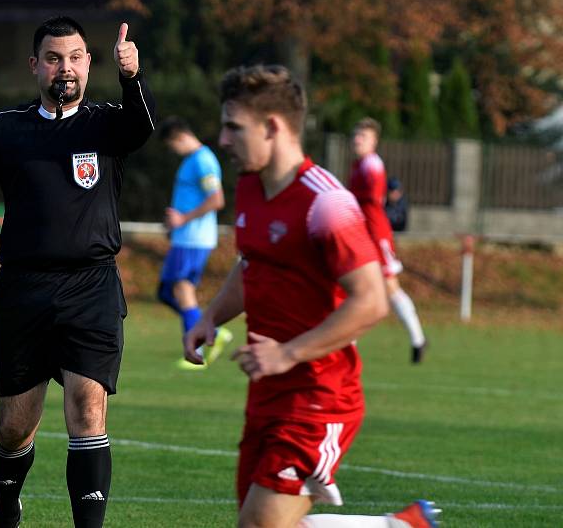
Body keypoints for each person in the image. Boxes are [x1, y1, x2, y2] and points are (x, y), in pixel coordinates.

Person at [183, 65, 439, 528]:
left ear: (273, 127)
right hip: (267, 393)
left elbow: (372, 301)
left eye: (233, 127)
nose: (222, 139)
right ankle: (398, 527)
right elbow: (252, 264)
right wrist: (211, 316)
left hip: (320, 396)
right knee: (270, 523)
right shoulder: (250, 186)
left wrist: (288, 352)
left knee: (259, 524)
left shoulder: (327, 203)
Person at [0, 16, 154, 528]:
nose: (64, 68)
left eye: (74, 58)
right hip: (24, 289)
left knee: (87, 410)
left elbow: (142, 126)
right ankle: (7, 505)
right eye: (53, 58)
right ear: (35, 66)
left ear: (89, 63)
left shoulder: (107, 123)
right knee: (16, 428)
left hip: (92, 287)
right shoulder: (5, 129)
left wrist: (133, 76)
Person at [156, 116, 233, 370]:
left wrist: (183, 219)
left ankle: (199, 347)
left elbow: (217, 199)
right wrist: (174, 225)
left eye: (170, 146)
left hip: (194, 239)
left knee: (181, 288)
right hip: (184, 238)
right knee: (166, 292)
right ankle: (212, 330)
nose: (172, 151)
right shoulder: (192, 161)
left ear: (179, 138)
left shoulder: (203, 160)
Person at [349, 118, 427, 363]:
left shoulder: (372, 164)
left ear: (374, 141)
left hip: (376, 233)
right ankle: (346, 343)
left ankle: (418, 339)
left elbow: (373, 197)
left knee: (390, 287)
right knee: (355, 286)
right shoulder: (359, 164)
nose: (357, 140)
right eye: (356, 135)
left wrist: (346, 198)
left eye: (363, 136)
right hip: (362, 233)